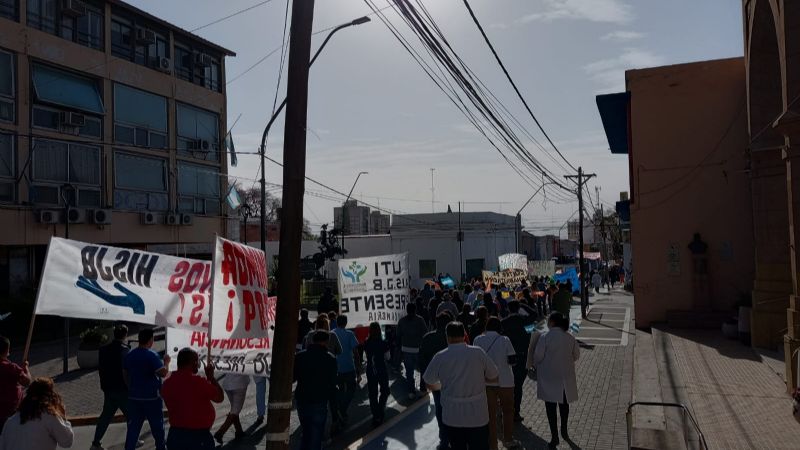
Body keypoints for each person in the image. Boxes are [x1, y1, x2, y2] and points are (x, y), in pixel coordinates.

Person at [423, 322, 499, 450]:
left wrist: (441, 387)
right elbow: (494, 375)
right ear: (464, 335)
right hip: (477, 415)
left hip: (452, 416)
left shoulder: (440, 356)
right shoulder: (477, 353)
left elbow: (428, 382)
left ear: (447, 337)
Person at [161, 348, 224, 450]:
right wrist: (211, 378)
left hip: (175, 436)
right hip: (198, 438)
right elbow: (220, 397)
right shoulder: (198, 382)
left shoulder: (167, 383)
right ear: (193, 362)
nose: (198, 364)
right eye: (197, 361)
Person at [533, 312, 580, 448]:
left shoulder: (545, 337)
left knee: (551, 409)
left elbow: (538, 357)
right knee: (564, 406)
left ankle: (554, 437)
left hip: (549, 378)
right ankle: (564, 430)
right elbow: (576, 355)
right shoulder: (570, 337)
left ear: (552, 322)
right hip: (566, 378)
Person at [474, 318, 519, 450]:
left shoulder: (477, 340)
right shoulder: (505, 340)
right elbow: (512, 360)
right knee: (508, 411)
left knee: (490, 415)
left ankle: (493, 444)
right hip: (505, 381)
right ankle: (508, 439)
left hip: (486, 382)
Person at [123, 328, 168, 450]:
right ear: (151, 340)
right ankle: (160, 447)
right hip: (151, 397)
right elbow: (163, 373)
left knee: (133, 428)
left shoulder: (130, 354)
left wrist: (130, 387)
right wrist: (166, 363)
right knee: (157, 427)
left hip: (134, 397)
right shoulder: (152, 355)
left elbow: (125, 374)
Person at [0, 377, 73, 450]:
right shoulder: (49, 416)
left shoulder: (11, 420)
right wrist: (63, 417)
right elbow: (67, 442)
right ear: (50, 396)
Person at [294, 331, 337, 450]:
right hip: (320, 400)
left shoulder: (300, 356)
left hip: (302, 399)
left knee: (306, 433)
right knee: (316, 435)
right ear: (326, 342)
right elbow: (332, 385)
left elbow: (292, 378)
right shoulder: (330, 358)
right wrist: (335, 411)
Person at [91, 325, 132, 450]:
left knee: (105, 417)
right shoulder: (125, 350)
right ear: (125, 335)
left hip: (108, 388)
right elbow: (127, 371)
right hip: (122, 388)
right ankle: (132, 441)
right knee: (132, 417)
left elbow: (101, 369)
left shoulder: (103, 350)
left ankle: (96, 443)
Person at [419, 313, 452, 450]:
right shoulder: (452, 339)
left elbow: (422, 362)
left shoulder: (427, 338)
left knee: (439, 410)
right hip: (453, 381)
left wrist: (423, 383)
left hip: (436, 383)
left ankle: (443, 440)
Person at [501, 301, 530, 422]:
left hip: (508, 358)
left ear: (508, 309)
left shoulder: (503, 322)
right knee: (518, 386)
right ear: (518, 308)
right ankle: (516, 411)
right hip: (522, 356)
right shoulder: (524, 320)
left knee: (508, 385)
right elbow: (534, 313)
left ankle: (506, 410)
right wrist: (523, 304)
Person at [332, 315, 361, 431]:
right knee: (351, 389)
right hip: (349, 367)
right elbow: (356, 353)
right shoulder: (350, 334)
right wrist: (358, 368)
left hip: (336, 368)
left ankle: (341, 412)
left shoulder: (331, 334)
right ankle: (342, 409)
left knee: (340, 389)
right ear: (346, 323)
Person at [0, 335, 31, 435]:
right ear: (7, 350)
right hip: (11, 413)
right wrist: (26, 368)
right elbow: (27, 381)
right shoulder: (11, 367)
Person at [396, 302, 428, 398]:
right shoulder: (420, 320)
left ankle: (411, 391)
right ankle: (422, 389)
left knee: (409, 372)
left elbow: (398, 336)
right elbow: (425, 334)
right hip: (418, 349)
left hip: (406, 349)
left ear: (406, 310)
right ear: (415, 310)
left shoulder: (401, 321)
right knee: (423, 369)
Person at [363, 322, 390, 426]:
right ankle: (380, 408)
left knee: (372, 394)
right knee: (385, 390)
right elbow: (388, 357)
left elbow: (367, 356)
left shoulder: (366, 342)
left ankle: (376, 415)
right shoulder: (383, 343)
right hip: (382, 369)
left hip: (371, 370)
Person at [214, 374, 250, 444]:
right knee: (235, 411)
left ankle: (239, 430)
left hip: (228, 384)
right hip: (239, 385)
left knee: (234, 408)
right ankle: (220, 433)